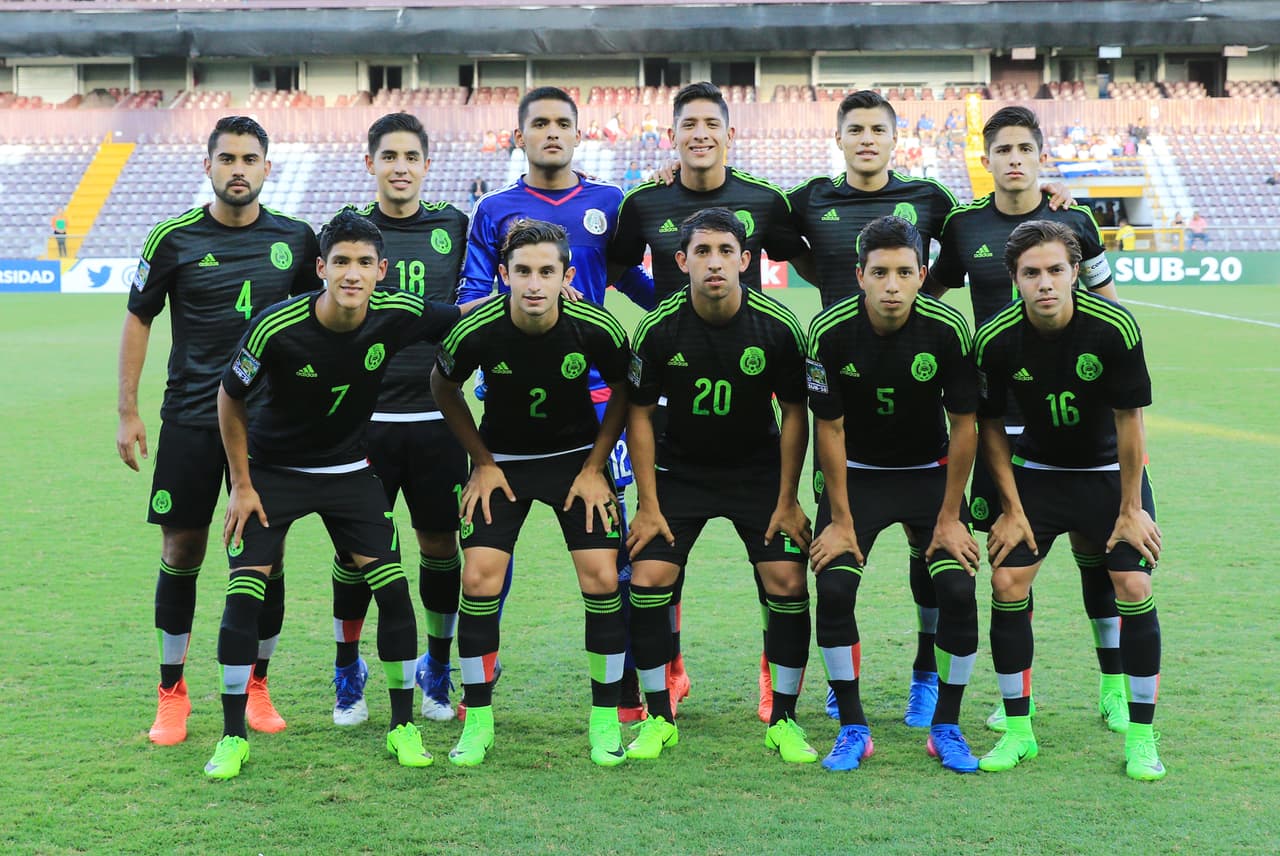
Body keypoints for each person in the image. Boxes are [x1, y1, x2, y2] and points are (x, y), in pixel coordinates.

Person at [207, 210, 471, 779]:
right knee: (245, 594)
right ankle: (231, 736)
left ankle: (403, 727)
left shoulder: (398, 312)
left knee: (394, 591)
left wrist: (531, 298)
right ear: (322, 268)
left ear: (382, 270)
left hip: (350, 471)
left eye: (364, 264)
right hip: (272, 473)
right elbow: (229, 398)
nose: (352, 274)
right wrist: (242, 485)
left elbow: (461, 316)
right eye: (341, 263)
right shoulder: (275, 328)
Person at [117, 115, 321, 748]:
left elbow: (317, 325)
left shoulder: (295, 237)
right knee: (182, 551)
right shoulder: (172, 238)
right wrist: (127, 409)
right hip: (189, 421)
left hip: (268, 427)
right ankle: (170, 692)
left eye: (250, 158)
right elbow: (139, 318)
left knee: (267, 557)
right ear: (207, 166)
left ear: (267, 167)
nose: (239, 168)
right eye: (227, 158)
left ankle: (258, 683)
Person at [611, 83, 810, 719]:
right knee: (660, 567)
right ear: (672, 135)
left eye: (711, 124)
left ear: (730, 134)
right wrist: (664, 318)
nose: (700, 133)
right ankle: (668, 673)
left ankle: (770, 680)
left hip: (748, 395)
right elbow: (616, 268)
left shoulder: (764, 200)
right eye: (688, 123)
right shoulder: (645, 200)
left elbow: (807, 251)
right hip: (676, 393)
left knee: (779, 576)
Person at [457, 85, 655, 722]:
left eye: (562, 123)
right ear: (519, 136)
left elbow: (628, 277)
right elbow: (470, 295)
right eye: (538, 123)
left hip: (597, 403)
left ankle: (625, 685)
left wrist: (674, 316)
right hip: (510, 398)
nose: (550, 132)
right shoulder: (494, 209)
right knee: (491, 555)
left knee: (612, 550)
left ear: (579, 132)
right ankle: (481, 676)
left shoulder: (609, 202)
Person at [930, 105, 1124, 736]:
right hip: (999, 415)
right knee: (1012, 559)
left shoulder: (1075, 219)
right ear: (985, 161)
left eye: (1024, 148)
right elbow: (930, 299)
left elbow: (1108, 301)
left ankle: (1114, 684)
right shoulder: (963, 228)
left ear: (1042, 155)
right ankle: (1020, 696)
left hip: (1076, 415)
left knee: (1100, 557)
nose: (1013, 159)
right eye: (1002, 150)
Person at [432, 219, 632, 767]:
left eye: (547, 271)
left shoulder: (595, 326)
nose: (535, 284)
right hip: (505, 466)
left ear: (567, 275)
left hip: (575, 466)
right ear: (504, 275)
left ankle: (604, 719)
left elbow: (625, 391)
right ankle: (477, 721)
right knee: (478, 578)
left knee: (600, 577)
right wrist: (481, 461)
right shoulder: (477, 330)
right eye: (522, 271)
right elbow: (442, 385)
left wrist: (595, 465)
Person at [974, 220, 1165, 781]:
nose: (1045, 283)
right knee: (1007, 580)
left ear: (1075, 272)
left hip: (1109, 475)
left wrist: (1132, 509)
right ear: (1015, 279)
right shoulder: (997, 338)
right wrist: (1011, 508)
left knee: (1133, 583)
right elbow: (989, 428)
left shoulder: (1113, 327)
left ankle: (1140, 734)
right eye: (1031, 273)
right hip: (1040, 475)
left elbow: (1131, 421)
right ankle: (1018, 730)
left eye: (1056, 270)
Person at [624, 207, 815, 764]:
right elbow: (637, 414)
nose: (715, 263)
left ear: (745, 261)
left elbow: (796, 413)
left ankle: (783, 720)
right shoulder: (658, 328)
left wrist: (787, 499)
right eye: (702, 252)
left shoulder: (777, 327)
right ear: (681, 261)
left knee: (786, 579)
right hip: (679, 474)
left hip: (756, 475)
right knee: (650, 575)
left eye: (726, 252)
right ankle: (659, 716)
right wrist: (648, 505)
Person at [806, 216, 981, 773]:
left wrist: (951, 516)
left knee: (955, 589)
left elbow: (965, 425)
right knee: (833, 589)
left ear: (922, 275)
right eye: (879, 272)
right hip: (855, 474)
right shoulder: (829, 332)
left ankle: (944, 721)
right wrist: (838, 518)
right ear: (860, 275)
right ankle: (853, 726)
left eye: (904, 272)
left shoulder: (948, 328)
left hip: (929, 472)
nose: (891, 285)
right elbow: (828, 429)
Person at [326, 112, 471, 727]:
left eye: (411, 156)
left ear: (427, 164)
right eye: (389, 157)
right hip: (363, 425)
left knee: (440, 544)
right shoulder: (348, 235)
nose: (400, 168)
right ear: (371, 164)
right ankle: (347, 666)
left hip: (438, 418)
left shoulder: (454, 225)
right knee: (359, 552)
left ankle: (437, 665)